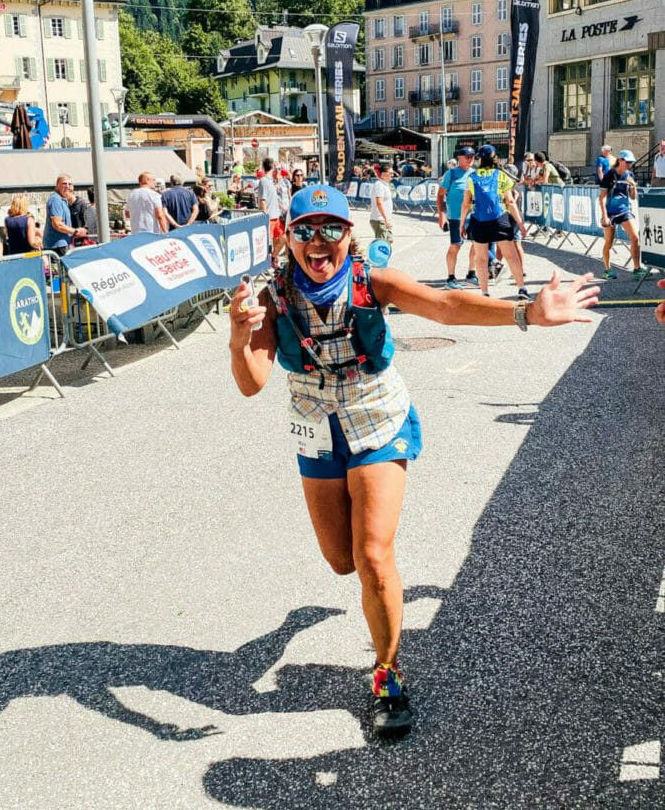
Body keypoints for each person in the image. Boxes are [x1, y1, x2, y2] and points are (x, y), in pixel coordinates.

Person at [229, 184, 599, 739]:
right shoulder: (274, 296)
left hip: (376, 415)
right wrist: (239, 339)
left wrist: (528, 312)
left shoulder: (370, 281)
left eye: (332, 228)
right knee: (341, 561)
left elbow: (445, 305)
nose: (319, 241)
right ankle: (328, 624)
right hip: (315, 426)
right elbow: (252, 384)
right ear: (289, 236)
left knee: (373, 554)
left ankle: (387, 675)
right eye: (306, 229)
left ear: (348, 234)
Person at [460, 145, 528, 298]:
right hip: (499, 219)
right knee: (511, 256)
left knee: (481, 258)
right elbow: (510, 201)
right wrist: (521, 224)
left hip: (478, 220)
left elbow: (465, 204)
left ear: (480, 159)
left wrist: (462, 224)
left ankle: (485, 292)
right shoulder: (501, 175)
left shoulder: (471, 177)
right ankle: (522, 289)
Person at [599, 149, 649, 280]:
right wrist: (604, 215)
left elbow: (633, 197)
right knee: (609, 242)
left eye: (631, 162)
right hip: (610, 211)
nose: (629, 165)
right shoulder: (609, 175)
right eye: (628, 162)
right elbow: (602, 197)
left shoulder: (629, 174)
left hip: (624, 210)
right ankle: (607, 269)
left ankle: (637, 268)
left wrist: (633, 186)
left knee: (635, 237)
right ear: (620, 161)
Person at [436, 146, 478, 289]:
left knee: (476, 245)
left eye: (472, 156)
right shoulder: (451, 174)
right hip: (455, 216)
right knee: (456, 246)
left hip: (472, 216)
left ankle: (471, 275)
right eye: (467, 156)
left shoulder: (475, 174)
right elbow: (440, 195)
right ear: (459, 158)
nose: (470, 159)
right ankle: (451, 278)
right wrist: (442, 215)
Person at [43, 175, 87, 255]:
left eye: (70, 184)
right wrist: (76, 231)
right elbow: (57, 224)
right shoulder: (56, 199)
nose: (67, 186)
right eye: (64, 183)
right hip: (57, 247)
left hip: (61, 245)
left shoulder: (62, 200)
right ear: (57, 186)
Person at [257, 157, 284, 262]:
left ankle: (273, 256)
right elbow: (262, 200)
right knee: (267, 243)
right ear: (273, 167)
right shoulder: (264, 181)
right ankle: (269, 261)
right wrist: (265, 217)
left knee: (283, 238)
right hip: (270, 217)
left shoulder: (270, 181)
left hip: (276, 216)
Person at [370, 163, 394, 245]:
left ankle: (383, 257)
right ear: (383, 174)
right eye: (390, 173)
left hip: (385, 219)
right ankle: (376, 257)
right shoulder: (379, 185)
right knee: (381, 244)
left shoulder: (385, 185)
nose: (392, 175)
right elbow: (379, 203)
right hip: (379, 219)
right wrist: (385, 218)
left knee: (389, 241)